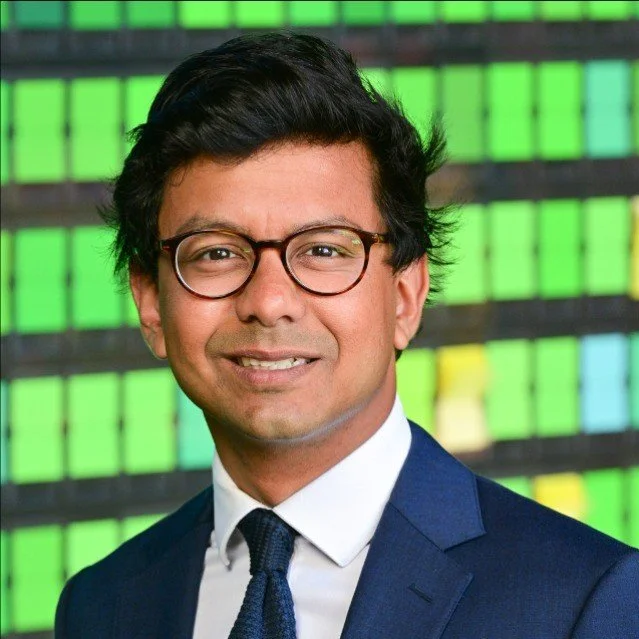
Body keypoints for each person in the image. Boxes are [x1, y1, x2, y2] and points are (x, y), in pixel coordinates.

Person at [55, 32, 638, 639]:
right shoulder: (101, 605)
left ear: (405, 296)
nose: (269, 303)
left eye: (324, 250)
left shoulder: (586, 600)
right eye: (217, 253)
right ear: (151, 303)